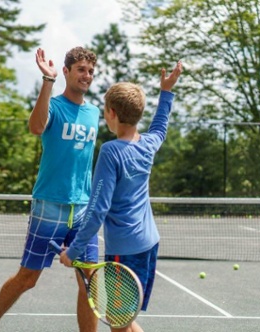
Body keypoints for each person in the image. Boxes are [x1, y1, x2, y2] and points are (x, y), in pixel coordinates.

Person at [0, 47, 101, 332]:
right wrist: (48, 80)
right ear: (67, 72)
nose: (87, 75)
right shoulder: (55, 106)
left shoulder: (94, 112)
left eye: (91, 71)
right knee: (28, 277)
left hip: (83, 209)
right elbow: (35, 127)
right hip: (49, 206)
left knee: (89, 280)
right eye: (81, 69)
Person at [59, 60, 183, 332]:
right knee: (122, 321)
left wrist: (74, 251)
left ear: (112, 113)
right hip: (149, 244)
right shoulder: (148, 144)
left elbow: (97, 209)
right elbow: (160, 127)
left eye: (105, 111)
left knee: (118, 323)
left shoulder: (111, 151)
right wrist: (166, 92)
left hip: (124, 251)